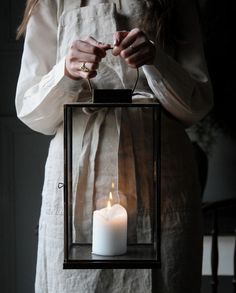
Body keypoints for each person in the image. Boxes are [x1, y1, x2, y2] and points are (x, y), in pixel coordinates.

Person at [15, 0, 213, 292]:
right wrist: (67, 71)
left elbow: (196, 105)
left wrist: (156, 61)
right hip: (76, 165)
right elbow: (31, 110)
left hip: (161, 172)